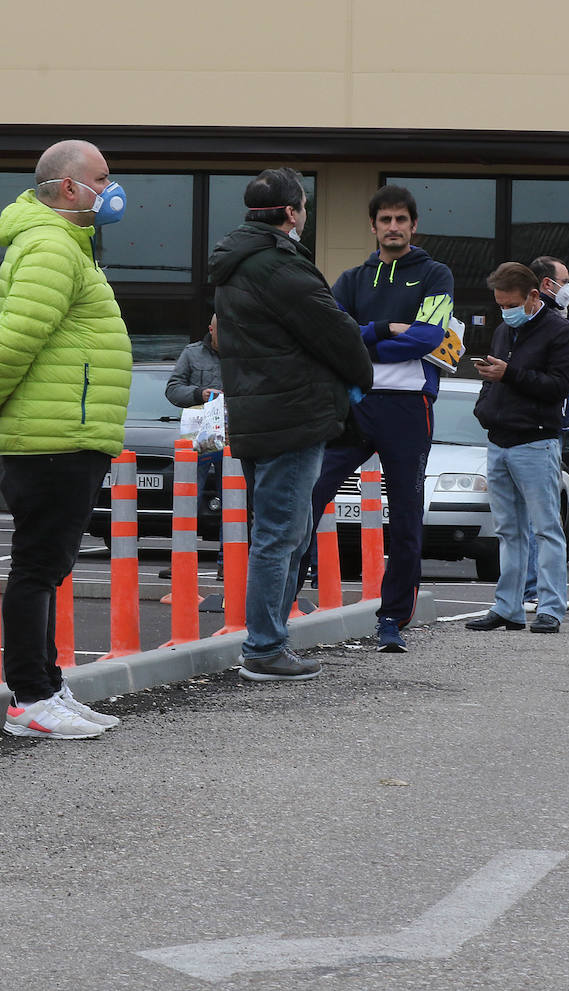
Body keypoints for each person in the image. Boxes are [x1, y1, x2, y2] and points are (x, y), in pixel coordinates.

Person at [0, 139, 131, 738]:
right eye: (102, 180)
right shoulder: (52, 246)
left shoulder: (67, 248)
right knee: (37, 568)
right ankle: (28, 697)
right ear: (67, 188)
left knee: (49, 567)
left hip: (68, 432)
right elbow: (12, 342)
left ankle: (48, 686)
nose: (112, 191)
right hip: (53, 435)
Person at [209, 168, 374, 681]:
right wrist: (359, 375)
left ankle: (269, 641)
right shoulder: (279, 265)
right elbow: (336, 330)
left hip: (258, 412)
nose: (305, 215)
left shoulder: (237, 263)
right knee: (282, 534)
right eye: (303, 206)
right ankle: (264, 647)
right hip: (293, 414)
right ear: (290, 213)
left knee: (280, 531)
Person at [300, 185, 455, 653]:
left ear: (413, 225)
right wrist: (385, 329)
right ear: (373, 226)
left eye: (400, 220)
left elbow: (429, 337)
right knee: (308, 496)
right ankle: (285, 603)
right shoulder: (351, 277)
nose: (392, 227)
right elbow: (335, 332)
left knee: (406, 516)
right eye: (384, 220)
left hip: (408, 408)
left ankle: (392, 619)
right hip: (354, 403)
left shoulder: (435, 274)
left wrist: (365, 340)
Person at [466, 262, 569, 635]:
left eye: (510, 303)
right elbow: (501, 376)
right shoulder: (503, 330)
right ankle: (508, 608)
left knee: (546, 528)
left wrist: (507, 375)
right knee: (508, 531)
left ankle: (550, 608)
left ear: (533, 296)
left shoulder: (560, 332)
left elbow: (557, 388)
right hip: (499, 440)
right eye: (499, 304)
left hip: (535, 441)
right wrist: (485, 402)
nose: (505, 311)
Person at [521, 255, 569, 609]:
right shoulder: (538, 322)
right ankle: (532, 591)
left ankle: (540, 590)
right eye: (564, 281)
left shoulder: (555, 320)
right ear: (547, 285)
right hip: (539, 429)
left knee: (544, 515)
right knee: (538, 515)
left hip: (550, 427)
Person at [164, 313, 224, 581]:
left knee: (236, 503)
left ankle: (228, 562)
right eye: (221, 332)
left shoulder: (246, 354)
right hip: (198, 435)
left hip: (233, 436)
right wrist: (198, 394)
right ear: (210, 329)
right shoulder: (192, 354)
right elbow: (173, 389)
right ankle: (182, 562)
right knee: (188, 496)